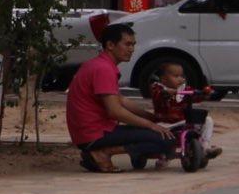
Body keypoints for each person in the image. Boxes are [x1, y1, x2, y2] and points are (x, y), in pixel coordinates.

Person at [63, 21, 172, 171]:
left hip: (89, 132)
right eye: (127, 44)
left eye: (133, 44)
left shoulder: (99, 64)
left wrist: (152, 117)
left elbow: (121, 100)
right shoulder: (104, 69)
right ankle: (103, 153)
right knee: (166, 140)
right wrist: (151, 125)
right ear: (110, 45)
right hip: (93, 134)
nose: (131, 49)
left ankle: (98, 153)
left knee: (156, 132)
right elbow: (115, 111)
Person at [146, 60, 220, 172]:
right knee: (163, 140)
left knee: (207, 120)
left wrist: (204, 94)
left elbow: (195, 95)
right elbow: (156, 92)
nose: (181, 79)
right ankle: (163, 155)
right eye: (176, 76)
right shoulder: (158, 88)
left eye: (182, 76)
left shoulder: (184, 89)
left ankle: (205, 147)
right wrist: (168, 92)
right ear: (164, 79)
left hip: (182, 121)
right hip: (164, 124)